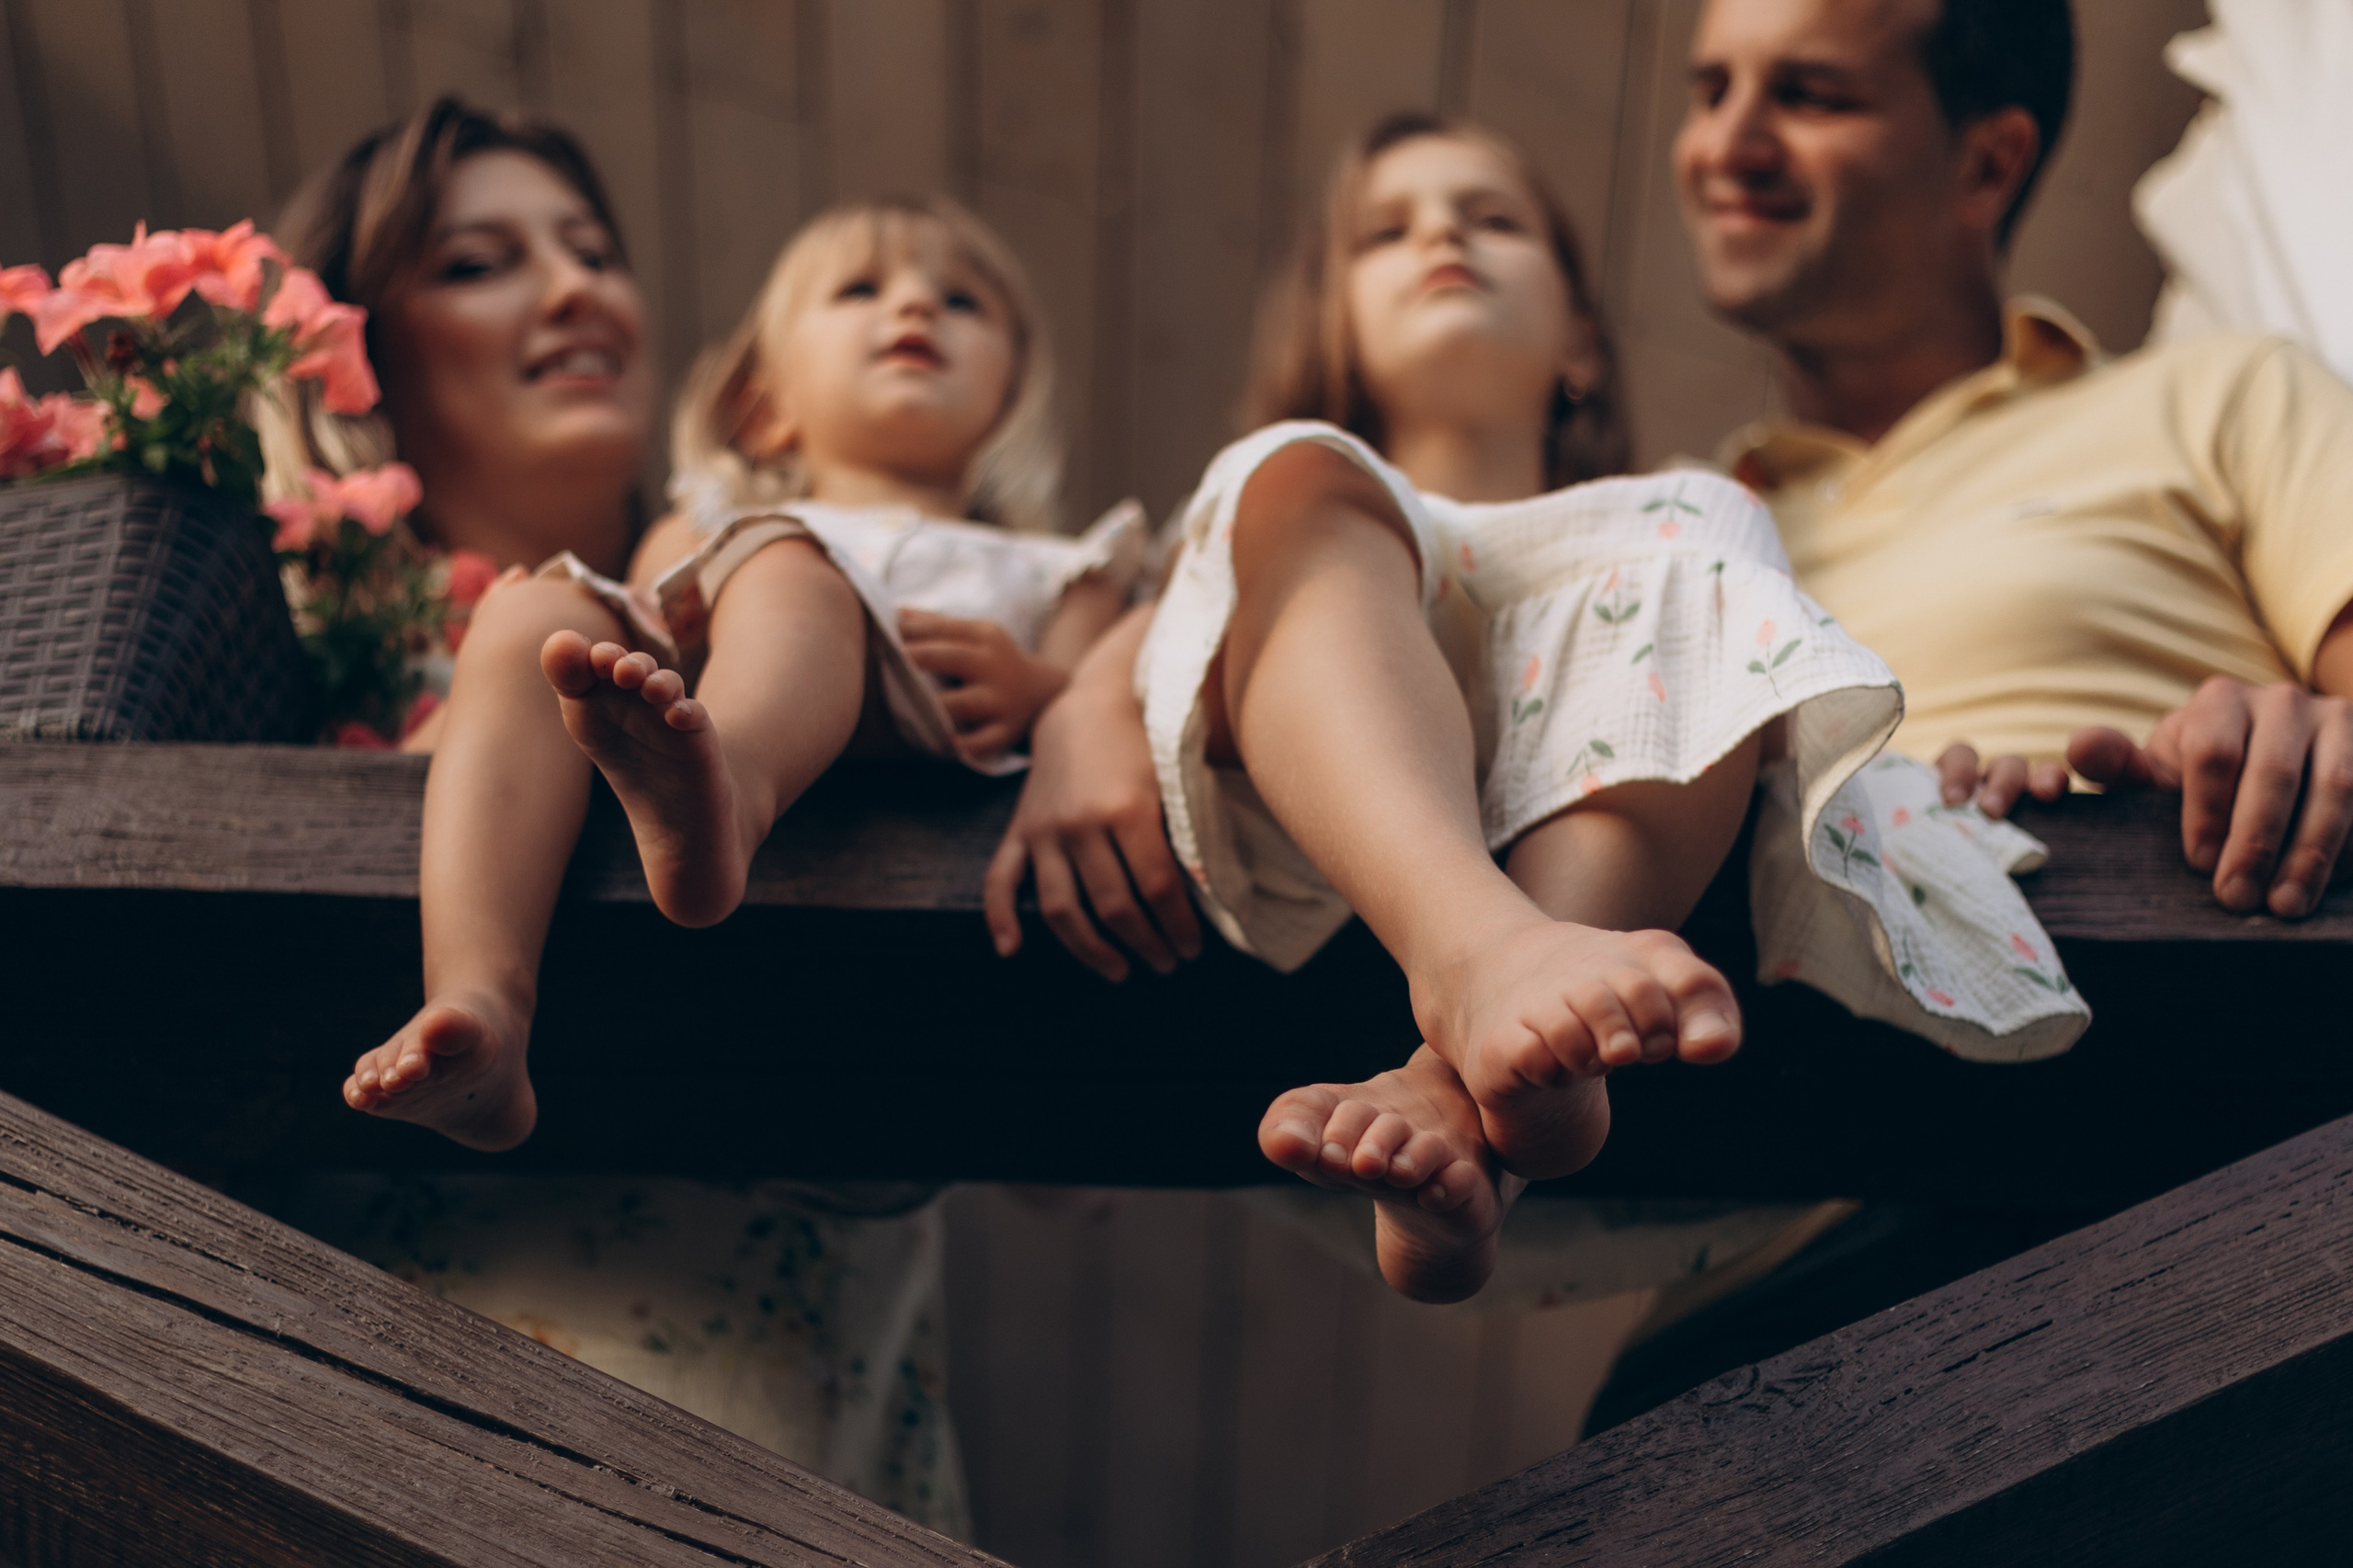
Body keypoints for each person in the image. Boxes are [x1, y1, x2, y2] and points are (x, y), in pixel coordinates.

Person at [985, 111, 2070, 1305]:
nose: (1444, 232)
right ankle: (1483, 958)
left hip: (1605, 853)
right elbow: (1167, 625)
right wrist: (1085, 714)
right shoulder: (1307, 499)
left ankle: (1458, 1088)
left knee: (1707, 517)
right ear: (1336, 327)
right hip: (1324, 753)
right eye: (1388, 231)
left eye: (1492, 218)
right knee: (1285, 476)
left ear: (1582, 342)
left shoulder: (1666, 518)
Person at [247, 98, 981, 1532]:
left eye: (590, 249)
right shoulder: (261, 666)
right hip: (359, 1421)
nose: (575, 284)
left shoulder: (777, 624)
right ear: (356, 351)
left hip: (782, 1428)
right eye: (480, 262)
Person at [342, 192, 1139, 1149]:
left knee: (792, 564)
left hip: (919, 724)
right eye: (861, 289)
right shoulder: (709, 522)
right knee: (534, 615)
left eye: (962, 302)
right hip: (735, 679)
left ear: (1008, 394)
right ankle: (482, 1003)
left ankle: (727, 792)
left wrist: (1037, 691)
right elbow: (634, 637)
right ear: (765, 411)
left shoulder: (1065, 566)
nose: (916, 308)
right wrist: (520, 640)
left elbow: (1104, 701)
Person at [1678, 0, 2353, 914]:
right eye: (1711, 91)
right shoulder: (1673, 531)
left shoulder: (2223, 396)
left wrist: (2313, 738)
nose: (1725, 144)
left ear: (1987, 162)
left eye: (1809, 96)